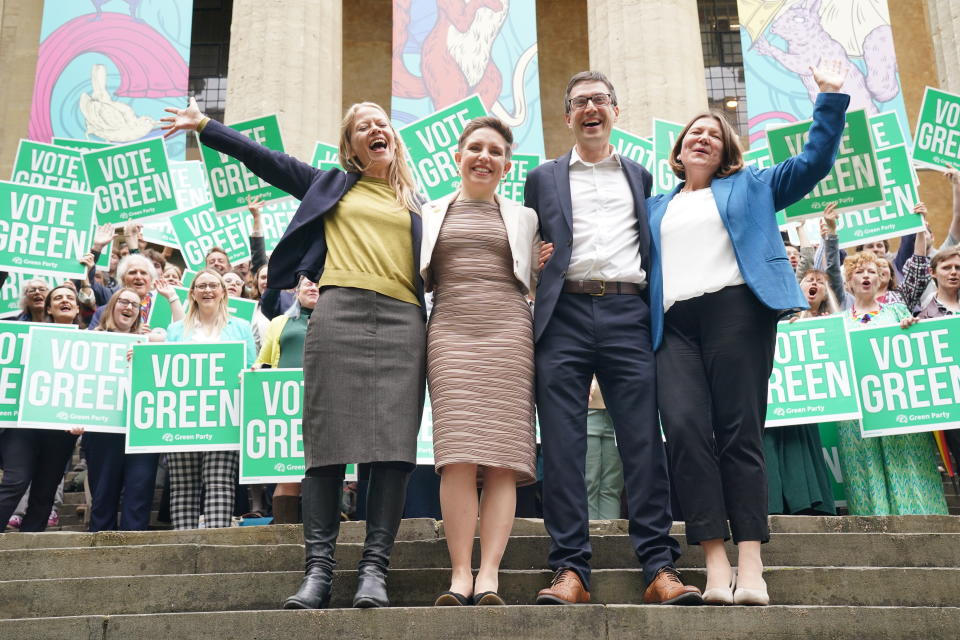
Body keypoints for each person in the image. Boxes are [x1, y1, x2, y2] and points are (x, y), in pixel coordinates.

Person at [162, 97, 426, 610]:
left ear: (394, 139)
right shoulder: (330, 184)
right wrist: (206, 127)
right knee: (325, 447)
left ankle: (374, 570)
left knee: (393, 451)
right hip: (339, 315)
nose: (377, 129)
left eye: (383, 124)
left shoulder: (417, 203)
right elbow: (266, 160)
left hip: (403, 322)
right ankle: (319, 572)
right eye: (363, 127)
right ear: (351, 147)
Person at [645, 62, 849, 606]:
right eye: (695, 133)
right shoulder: (655, 206)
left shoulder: (753, 185)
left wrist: (829, 100)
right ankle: (714, 562)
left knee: (740, 435)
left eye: (714, 134)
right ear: (679, 151)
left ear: (727, 150)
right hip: (674, 327)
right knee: (686, 434)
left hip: (736, 314)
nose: (703, 138)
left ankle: (751, 564)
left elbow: (814, 162)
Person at [524, 70, 696, 606]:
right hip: (564, 315)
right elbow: (531, 241)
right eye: (580, 103)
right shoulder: (542, 177)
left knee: (643, 441)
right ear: (567, 116)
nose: (591, 109)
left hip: (627, 311)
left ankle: (659, 566)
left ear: (616, 111)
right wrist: (531, 265)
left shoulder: (641, 177)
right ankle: (570, 569)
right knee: (564, 444)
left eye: (600, 100)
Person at [420, 117, 540, 606]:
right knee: (456, 457)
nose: (484, 157)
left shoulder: (526, 217)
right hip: (449, 333)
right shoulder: (428, 212)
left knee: (503, 461)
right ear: (458, 156)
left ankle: (489, 572)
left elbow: (536, 275)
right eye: (475, 148)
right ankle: (459, 573)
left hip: (509, 334)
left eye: (495, 151)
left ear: (507, 165)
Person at [832, 251, 948, 516]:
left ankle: (920, 515)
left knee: (906, 458)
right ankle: (872, 519)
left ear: (880, 279)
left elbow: (914, 353)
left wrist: (911, 329)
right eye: (859, 272)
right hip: (857, 410)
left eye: (872, 272)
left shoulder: (897, 311)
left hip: (896, 404)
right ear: (849, 283)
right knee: (865, 463)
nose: (866, 276)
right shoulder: (837, 322)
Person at [164, 270, 257, 529]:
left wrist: (248, 373)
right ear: (192, 293)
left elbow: (251, 365)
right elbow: (162, 369)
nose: (207, 290)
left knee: (220, 481)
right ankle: (184, 544)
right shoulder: (175, 330)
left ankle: (215, 544)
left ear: (223, 293)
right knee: (183, 485)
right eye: (201, 286)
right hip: (182, 416)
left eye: (213, 285)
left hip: (224, 416)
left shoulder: (240, 328)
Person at [0, 285, 83, 531]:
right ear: (49, 308)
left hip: (62, 431)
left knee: (45, 491)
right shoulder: (27, 335)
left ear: (78, 308)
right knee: (15, 481)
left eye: (70, 297)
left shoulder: (94, 342)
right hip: (24, 426)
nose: (65, 300)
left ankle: (29, 541)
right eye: (58, 298)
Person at [82, 288, 162, 531]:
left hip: (141, 429)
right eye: (123, 302)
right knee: (103, 493)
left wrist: (148, 352)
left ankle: (134, 547)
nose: (128, 307)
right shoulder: (91, 339)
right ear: (111, 307)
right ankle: (100, 547)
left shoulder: (148, 343)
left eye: (135, 305)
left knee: (139, 492)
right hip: (103, 429)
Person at [254, 276, 321, 524]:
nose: (313, 286)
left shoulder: (336, 322)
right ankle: (285, 531)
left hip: (323, 403)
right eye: (308, 283)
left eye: (319, 283)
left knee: (321, 475)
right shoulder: (280, 322)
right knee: (289, 474)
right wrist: (253, 374)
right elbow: (264, 360)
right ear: (296, 291)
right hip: (286, 405)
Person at [87, 254, 184, 329]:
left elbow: (181, 335)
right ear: (122, 279)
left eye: (143, 273)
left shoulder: (165, 309)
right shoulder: (104, 312)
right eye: (132, 272)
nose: (138, 277)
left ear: (151, 279)